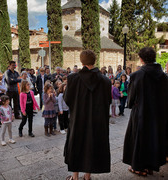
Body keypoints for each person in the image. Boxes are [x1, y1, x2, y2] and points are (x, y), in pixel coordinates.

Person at [64, 50, 112, 180]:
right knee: (91, 145)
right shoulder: (106, 81)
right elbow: (109, 101)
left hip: (78, 118)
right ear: (94, 61)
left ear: (81, 61)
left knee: (76, 144)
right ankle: (87, 176)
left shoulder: (73, 79)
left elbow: (67, 99)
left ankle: (75, 177)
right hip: (97, 120)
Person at [123, 47, 168, 176]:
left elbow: (131, 97)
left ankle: (138, 167)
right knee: (153, 139)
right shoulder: (164, 76)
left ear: (141, 59)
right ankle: (150, 166)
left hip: (141, 113)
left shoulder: (137, 75)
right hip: (158, 114)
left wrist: (131, 104)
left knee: (139, 140)